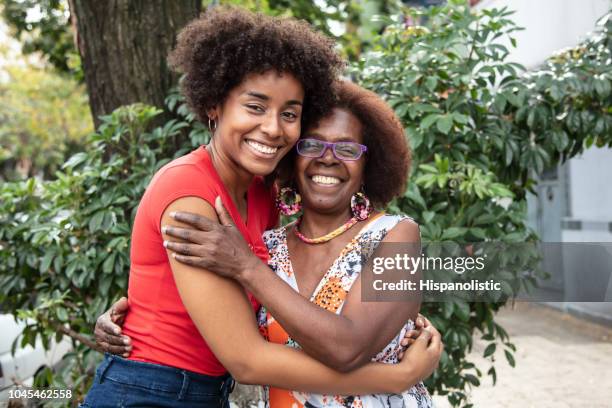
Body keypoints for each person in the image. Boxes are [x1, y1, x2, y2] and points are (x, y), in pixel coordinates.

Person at [82, 8, 441, 408]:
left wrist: (395, 321)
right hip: (151, 392)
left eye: (289, 115)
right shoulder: (188, 189)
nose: (273, 128)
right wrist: (397, 377)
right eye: (255, 107)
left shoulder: (262, 197)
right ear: (215, 104)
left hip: (202, 393)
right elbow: (247, 360)